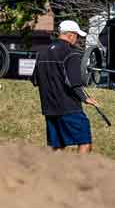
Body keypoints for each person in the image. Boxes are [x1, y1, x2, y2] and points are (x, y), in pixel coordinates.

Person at [31, 20, 99, 153]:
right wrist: (85, 98)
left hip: (49, 108)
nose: (77, 40)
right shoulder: (71, 53)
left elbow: (35, 80)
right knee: (85, 142)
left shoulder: (42, 53)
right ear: (71, 35)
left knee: (57, 147)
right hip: (69, 107)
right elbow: (73, 82)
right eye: (77, 36)